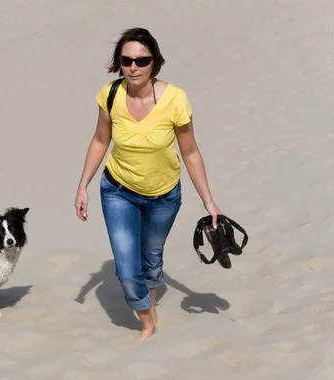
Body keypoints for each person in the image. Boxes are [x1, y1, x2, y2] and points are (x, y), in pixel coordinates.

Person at [74, 27, 223, 342]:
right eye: (127, 60)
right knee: (128, 270)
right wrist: (83, 185)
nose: (133, 67)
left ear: (155, 62)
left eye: (142, 61)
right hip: (117, 192)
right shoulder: (110, 95)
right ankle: (147, 320)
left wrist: (208, 201)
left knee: (152, 257)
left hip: (163, 197)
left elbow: (191, 152)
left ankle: (148, 303)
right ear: (119, 62)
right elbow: (101, 140)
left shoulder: (175, 99)